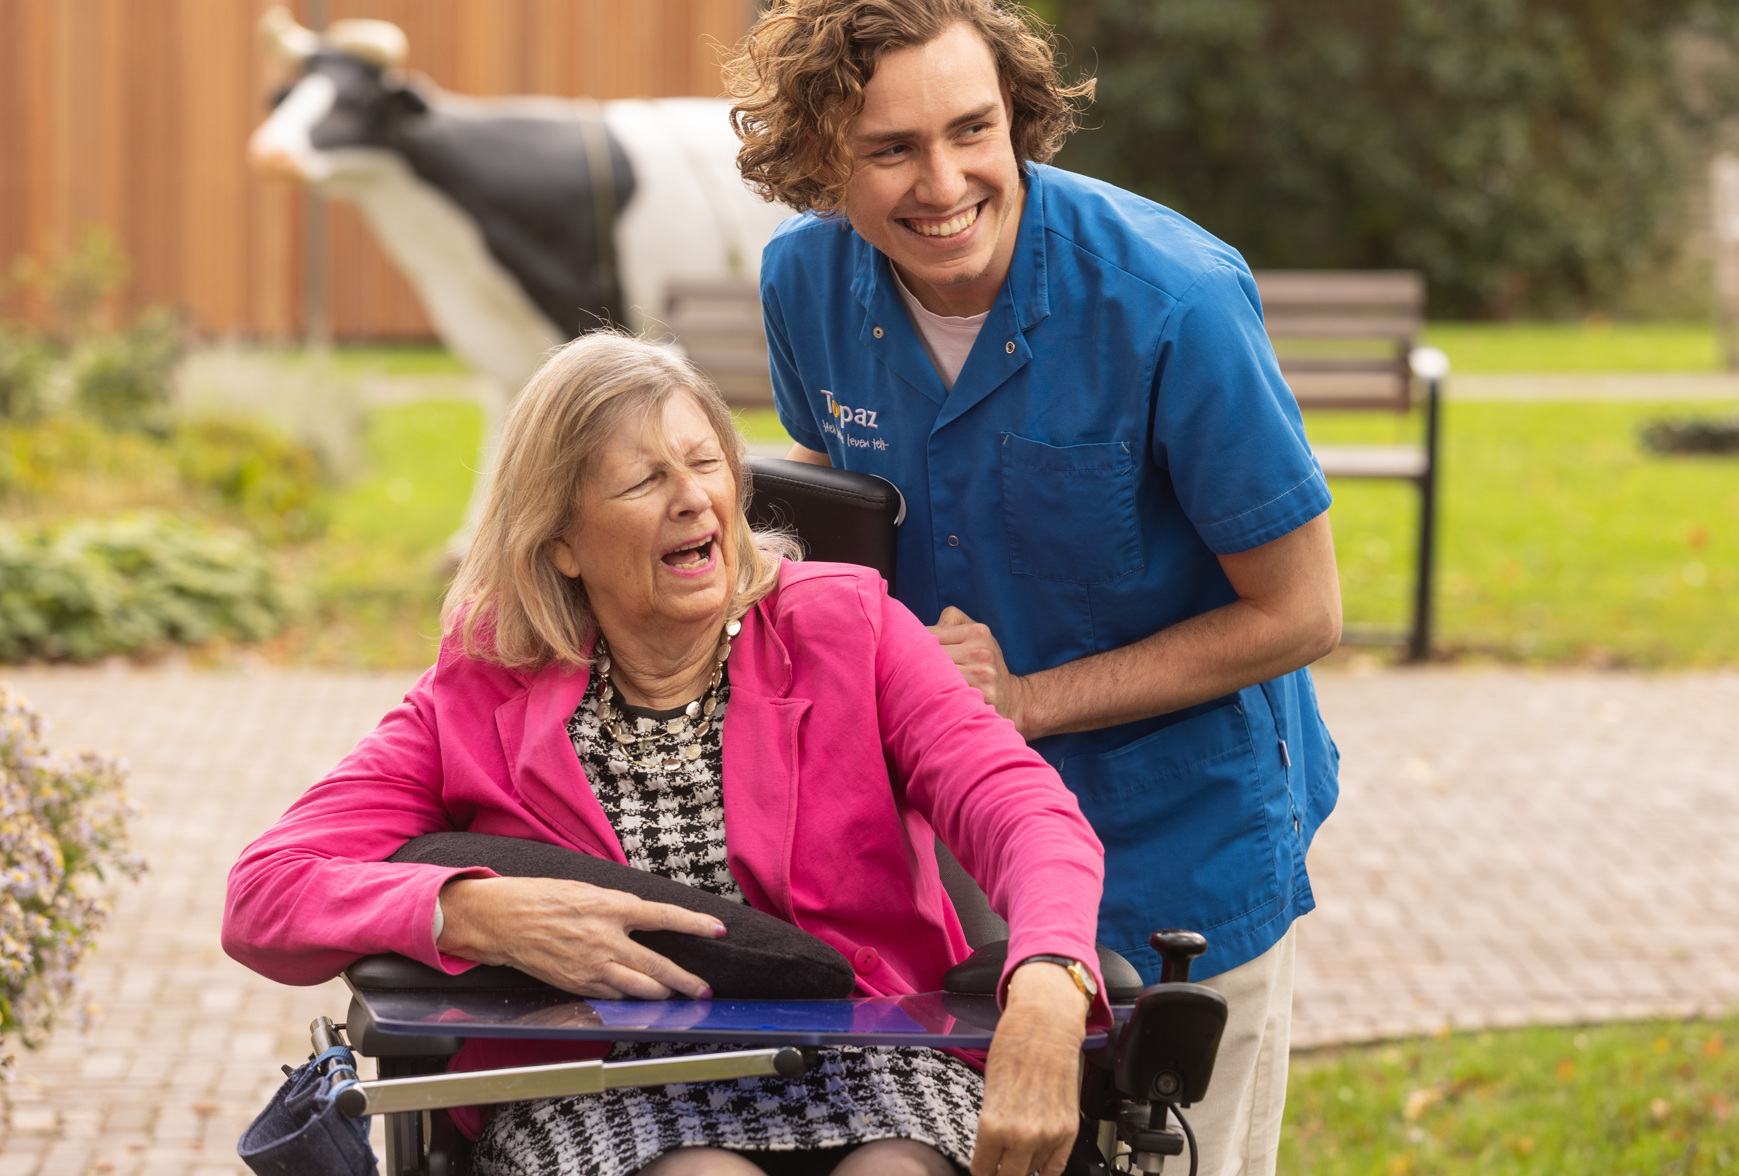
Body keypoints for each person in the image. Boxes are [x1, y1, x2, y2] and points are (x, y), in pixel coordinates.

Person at [725, 0, 1344, 1176]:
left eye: (973, 129)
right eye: (891, 149)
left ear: (1018, 113)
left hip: (1176, 851)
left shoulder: (1174, 300)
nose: (944, 183)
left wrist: (1023, 701)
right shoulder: (803, 282)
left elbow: (1301, 613)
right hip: (946, 866)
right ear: (819, 161)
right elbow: (835, 510)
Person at [222, 333, 1111, 1176]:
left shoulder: (852, 627)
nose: (693, 498)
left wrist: (1047, 983)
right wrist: (471, 913)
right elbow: (265, 891)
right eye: (645, 479)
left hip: (864, 1052)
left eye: (705, 462)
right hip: (595, 1074)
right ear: (561, 541)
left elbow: (1026, 811)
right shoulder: (480, 691)